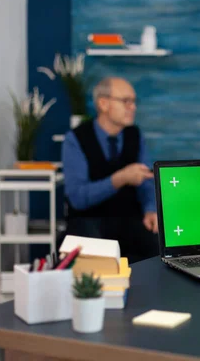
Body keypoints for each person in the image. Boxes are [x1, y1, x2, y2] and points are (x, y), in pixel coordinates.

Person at [62, 77, 158, 262]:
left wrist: (150, 209)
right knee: (94, 252)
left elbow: (147, 181)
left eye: (133, 101)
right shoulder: (75, 139)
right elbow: (78, 198)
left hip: (130, 220)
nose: (133, 107)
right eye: (126, 101)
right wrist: (120, 179)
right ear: (103, 103)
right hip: (88, 220)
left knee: (158, 250)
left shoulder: (135, 135)